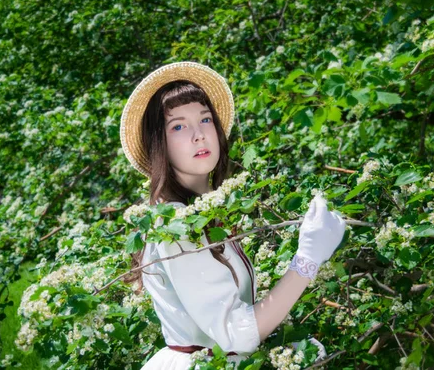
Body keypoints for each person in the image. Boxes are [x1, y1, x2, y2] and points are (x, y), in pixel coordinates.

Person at [119, 61, 346, 369]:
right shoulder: (175, 223)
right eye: (178, 126)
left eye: (205, 119)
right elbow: (236, 333)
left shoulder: (200, 211)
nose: (199, 134)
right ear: (159, 143)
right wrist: (307, 259)